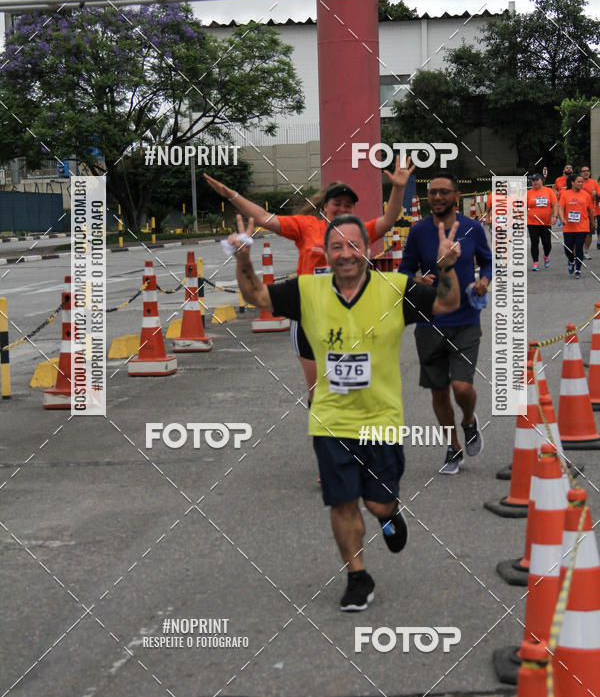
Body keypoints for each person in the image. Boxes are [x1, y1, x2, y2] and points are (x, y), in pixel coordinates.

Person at [228, 212, 461, 611]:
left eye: (354, 246)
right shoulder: (309, 291)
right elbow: (258, 298)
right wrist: (243, 258)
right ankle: (357, 575)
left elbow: (447, 302)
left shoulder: (394, 289)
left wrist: (446, 268)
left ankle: (389, 515)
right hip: (330, 419)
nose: (346, 254)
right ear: (326, 252)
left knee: (377, 504)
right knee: (342, 502)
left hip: (381, 421)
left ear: (368, 251)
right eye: (337, 247)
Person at [205, 158, 414, 404]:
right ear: (325, 206)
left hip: (350, 318)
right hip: (309, 317)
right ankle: (325, 432)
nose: (343, 209)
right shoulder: (305, 226)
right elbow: (263, 218)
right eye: (337, 204)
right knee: (318, 393)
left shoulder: (359, 230)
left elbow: (388, 220)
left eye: (349, 205)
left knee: (353, 389)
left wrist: (398, 188)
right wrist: (231, 195)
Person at [398, 171, 492, 475]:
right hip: (429, 322)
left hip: (465, 319)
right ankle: (453, 448)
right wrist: (415, 279)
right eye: (432, 192)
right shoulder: (418, 231)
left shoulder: (473, 228)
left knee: (462, 387)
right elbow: (404, 269)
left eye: (443, 192)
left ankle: (469, 421)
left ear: (456, 197)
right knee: (439, 391)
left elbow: (488, 261)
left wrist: (484, 281)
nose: (436, 197)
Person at [558, 173, 594, 278]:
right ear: (572, 183)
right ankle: (571, 260)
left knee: (579, 248)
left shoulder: (586, 195)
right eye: (579, 181)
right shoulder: (565, 194)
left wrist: (593, 222)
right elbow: (560, 208)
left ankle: (578, 270)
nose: (581, 183)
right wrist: (562, 218)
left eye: (582, 182)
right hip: (568, 226)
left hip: (582, 226)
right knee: (568, 248)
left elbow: (590, 210)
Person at [526, 173, 558, 270]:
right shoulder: (528, 193)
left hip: (545, 222)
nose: (534, 182)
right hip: (532, 222)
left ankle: (546, 256)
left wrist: (555, 216)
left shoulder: (548, 191)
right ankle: (535, 262)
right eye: (533, 180)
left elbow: (555, 204)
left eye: (536, 180)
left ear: (541, 180)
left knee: (547, 243)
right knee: (534, 242)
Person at [580, 165, 600, 258]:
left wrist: (596, 195)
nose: (586, 172)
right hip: (579, 212)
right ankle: (578, 251)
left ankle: (586, 251)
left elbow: (598, 196)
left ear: (590, 172)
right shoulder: (578, 182)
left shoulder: (594, 183)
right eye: (584, 171)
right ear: (581, 173)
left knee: (589, 232)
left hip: (591, 212)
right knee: (579, 232)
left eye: (587, 171)